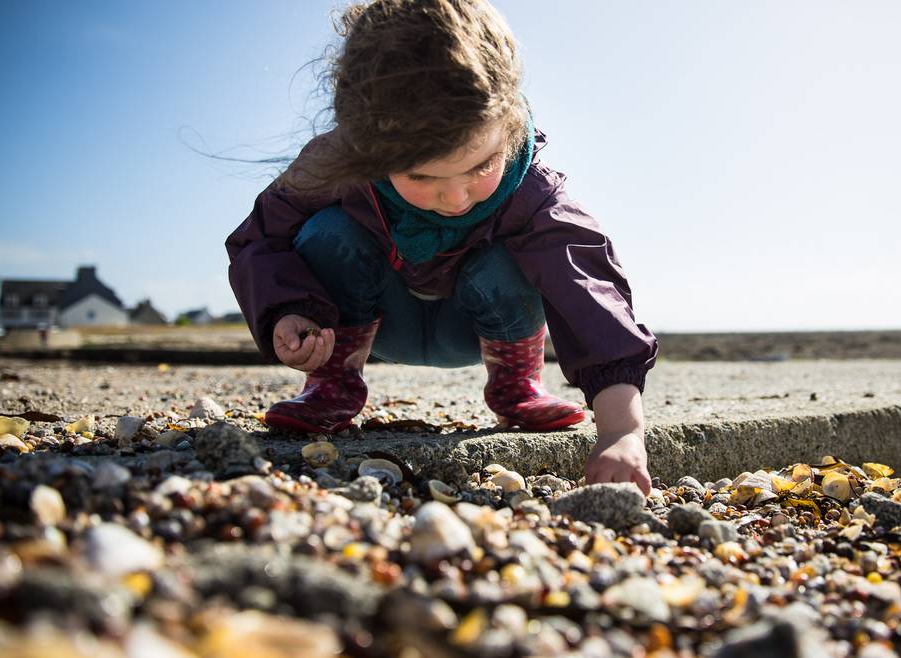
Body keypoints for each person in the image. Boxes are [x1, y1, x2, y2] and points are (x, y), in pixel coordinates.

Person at [225, 0, 657, 492]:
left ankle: (517, 387)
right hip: (375, 320)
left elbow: (591, 295)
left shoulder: (534, 193)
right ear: (365, 145)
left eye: (480, 166)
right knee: (328, 232)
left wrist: (623, 431)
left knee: (520, 255)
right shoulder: (333, 167)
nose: (455, 197)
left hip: (474, 329)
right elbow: (260, 239)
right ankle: (333, 384)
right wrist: (289, 311)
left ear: (509, 125)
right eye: (421, 176)